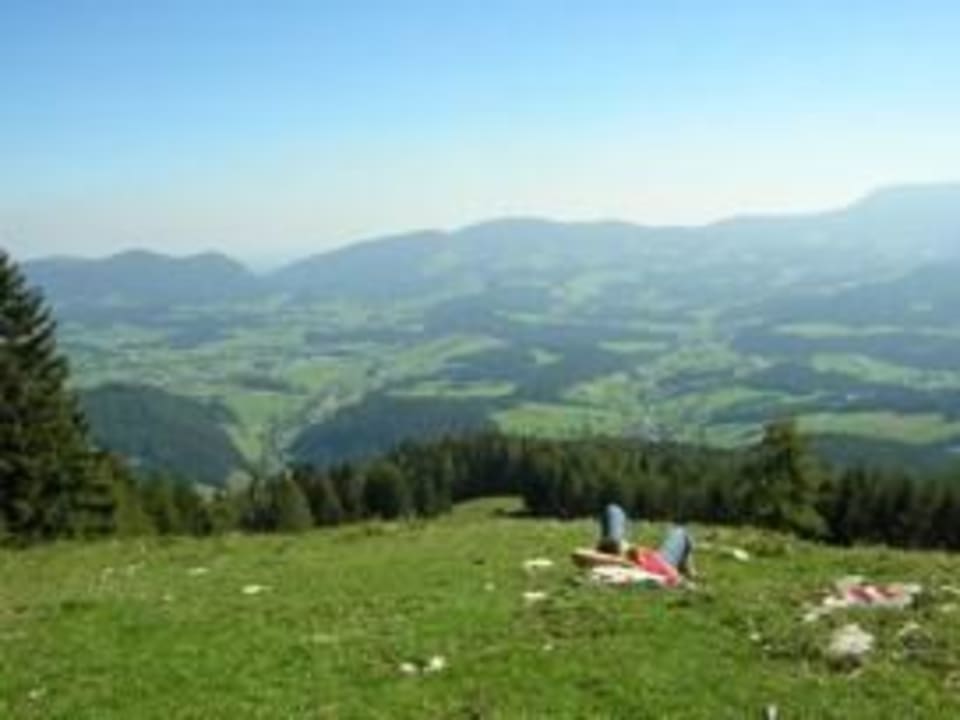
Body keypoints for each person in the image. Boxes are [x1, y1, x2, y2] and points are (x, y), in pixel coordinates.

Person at [595, 504, 697, 586]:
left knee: (613, 509)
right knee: (680, 532)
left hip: (619, 556)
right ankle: (685, 566)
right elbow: (672, 577)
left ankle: (616, 546)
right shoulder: (647, 574)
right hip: (652, 566)